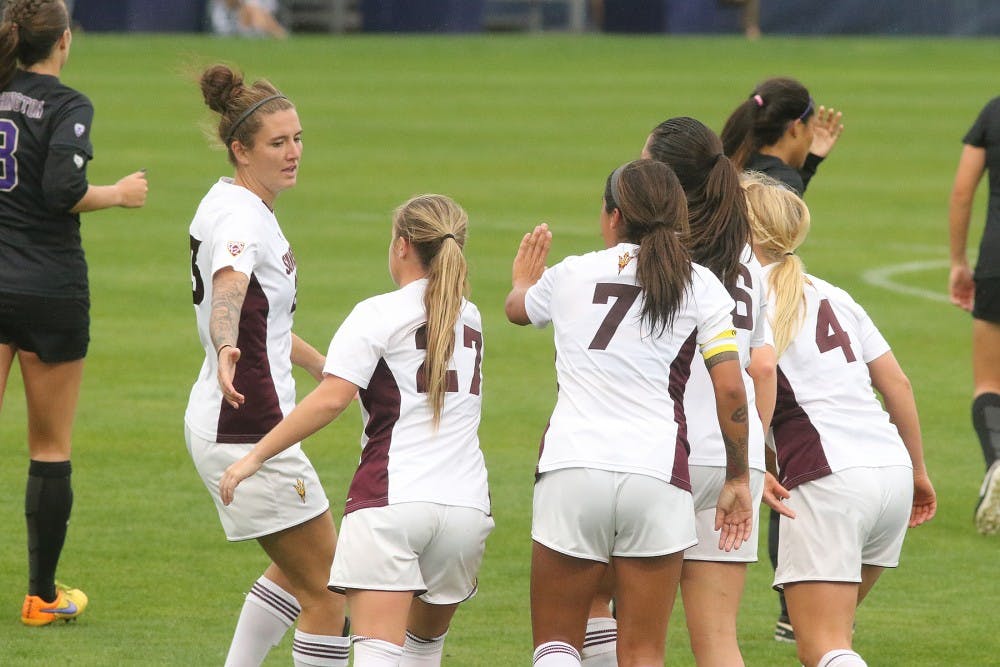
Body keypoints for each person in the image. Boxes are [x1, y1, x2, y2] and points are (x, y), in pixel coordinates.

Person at [220, 193, 493, 667]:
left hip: (393, 502)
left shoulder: (377, 312)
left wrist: (255, 456)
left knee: (379, 654)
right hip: (467, 510)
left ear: (402, 246)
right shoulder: (468, 317)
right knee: (422, 654)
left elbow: (331, 399)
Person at [506, 158, 754, 667]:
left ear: (613, 216)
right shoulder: (702, 284)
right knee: (642, 653)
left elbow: (518, 309)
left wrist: (522, 280)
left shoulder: (571, 272)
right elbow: (731, 389)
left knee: (555, 646)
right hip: (657, 477)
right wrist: (738, 476)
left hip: (572, 469)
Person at [185, 63, 347, 666]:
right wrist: (226, 342)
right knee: (331, 590)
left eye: (298, 138)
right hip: (244, 425)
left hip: (231, 412)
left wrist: (319, 362)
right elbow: (229, 290)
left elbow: (265, 319)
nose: (293, 152)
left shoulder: (230, 198)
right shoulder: (240, 218)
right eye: (278, 143)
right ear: (240, 149)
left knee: (296, 571)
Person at [744, 173, 937, 667]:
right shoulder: (834, 295)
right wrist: (917, 473)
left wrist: (744, 465)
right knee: (833, 639)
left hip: (827, 479)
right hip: (889, 474)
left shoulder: (740, 298)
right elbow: (898, 385)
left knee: (823, 646)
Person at [0, 0, 148, 627]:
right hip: (50, 288)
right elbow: (63, 189)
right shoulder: (67, 105)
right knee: (50, 445)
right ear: (63, 41)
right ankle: (40, 597)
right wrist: (117, 193)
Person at [642, 117, 774, 666]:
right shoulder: (749, 263)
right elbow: (760, 368)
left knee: (619, 626)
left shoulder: (654, 257)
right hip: (733, 459)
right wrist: (759, 458)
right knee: (718, 640)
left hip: (660, 453)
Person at [722, 75, 844, 643]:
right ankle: (792, 606)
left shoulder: (735, 166)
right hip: (744, 335)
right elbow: (781, 231)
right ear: (795, 127)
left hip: (707, 320)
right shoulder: (778, 182)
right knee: (776, 461)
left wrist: (810, 166)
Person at [948, 96, 1000, 536]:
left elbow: (963, 190)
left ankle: (998, 461)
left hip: (996, 263)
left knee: (989, 382)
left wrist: (959, 261)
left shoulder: (994, 111)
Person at [721, 76, 844, 197]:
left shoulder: (732, 164)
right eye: (812, 128)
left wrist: (810, 161)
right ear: (796, 128)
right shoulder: (783, 184)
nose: (812, 137)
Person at [209, 0, 287, 39]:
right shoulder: (219, 7)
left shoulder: (247, 6)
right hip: (231, 34)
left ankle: (279, 33)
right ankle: (279, 33)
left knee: (253, 9)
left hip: (248, 31)